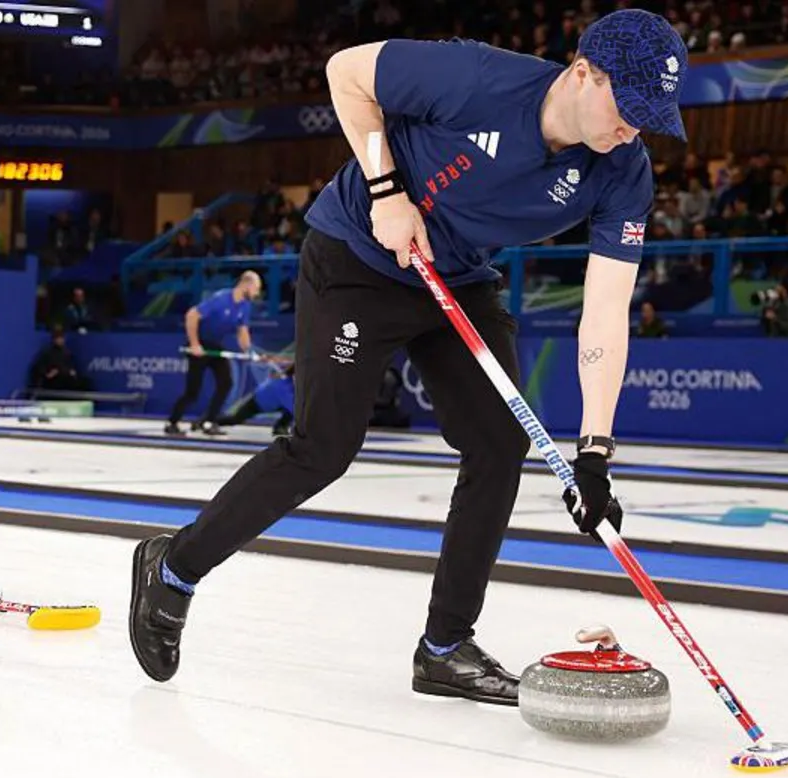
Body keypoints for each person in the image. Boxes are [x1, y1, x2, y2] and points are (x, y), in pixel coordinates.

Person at [129, 10, 686, 704]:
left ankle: (446, 646)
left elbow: (604, 311)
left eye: (650, 116)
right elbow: (346, 73)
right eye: (628, 108)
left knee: (497, 441)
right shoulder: (477, 77)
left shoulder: (623, 171)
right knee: (322, 446)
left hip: (456, 277)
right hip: (360, 257)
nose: (634, 128)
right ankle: (173, 568)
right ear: (582, 73)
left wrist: (595, 453)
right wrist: (388, 192)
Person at [165, 271, 263, 437]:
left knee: (226, 383)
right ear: (246, 284)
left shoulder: (245, 305)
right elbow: (192, 315)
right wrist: (195, 344)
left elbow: (242, 331)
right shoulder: (221, 298)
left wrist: (249, 351)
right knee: (192, 392)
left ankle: (207, 421)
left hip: (215, 347)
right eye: (256, 288)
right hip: (199, 345)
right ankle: (172, 422)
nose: (257, 293)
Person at [215, 363, 296, 436]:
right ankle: (212, 421)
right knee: (234, 420)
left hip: (272, 404)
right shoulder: (284, 386)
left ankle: (279, 428)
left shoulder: (288, 379)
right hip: (255, 403)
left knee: (294, 407)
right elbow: (294, 409)